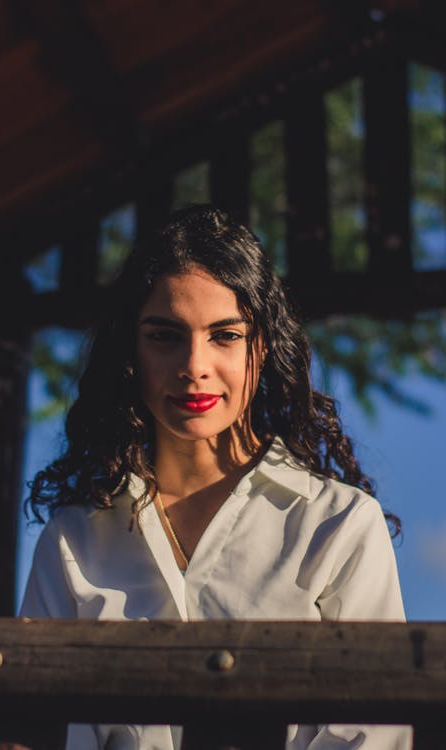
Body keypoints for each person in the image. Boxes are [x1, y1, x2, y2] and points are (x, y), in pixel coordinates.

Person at [21, 205, 412, 750]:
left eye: (224, 335)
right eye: (165, 336)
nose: (194, 364)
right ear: (131, 351)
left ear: (263, 346)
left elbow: (373, 734)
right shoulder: (74, 538)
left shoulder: (340, 525)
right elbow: (39, 725)